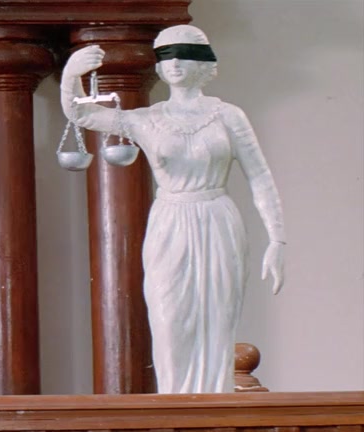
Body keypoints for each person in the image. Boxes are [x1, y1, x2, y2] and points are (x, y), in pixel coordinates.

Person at [60, 25, 286, 394]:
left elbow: (260, 176)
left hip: (217, 220)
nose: (175, 62)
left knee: (217, 320)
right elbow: (79, 113)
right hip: (170, 223)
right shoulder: (145, 119)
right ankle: (175, 406)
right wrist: (72, 73)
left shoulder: (229, 116)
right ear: (159, 66)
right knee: (169, 321)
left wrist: (277, 240)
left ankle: (214, 406)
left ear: (205, 63)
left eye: (184, 54)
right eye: (166, 56)